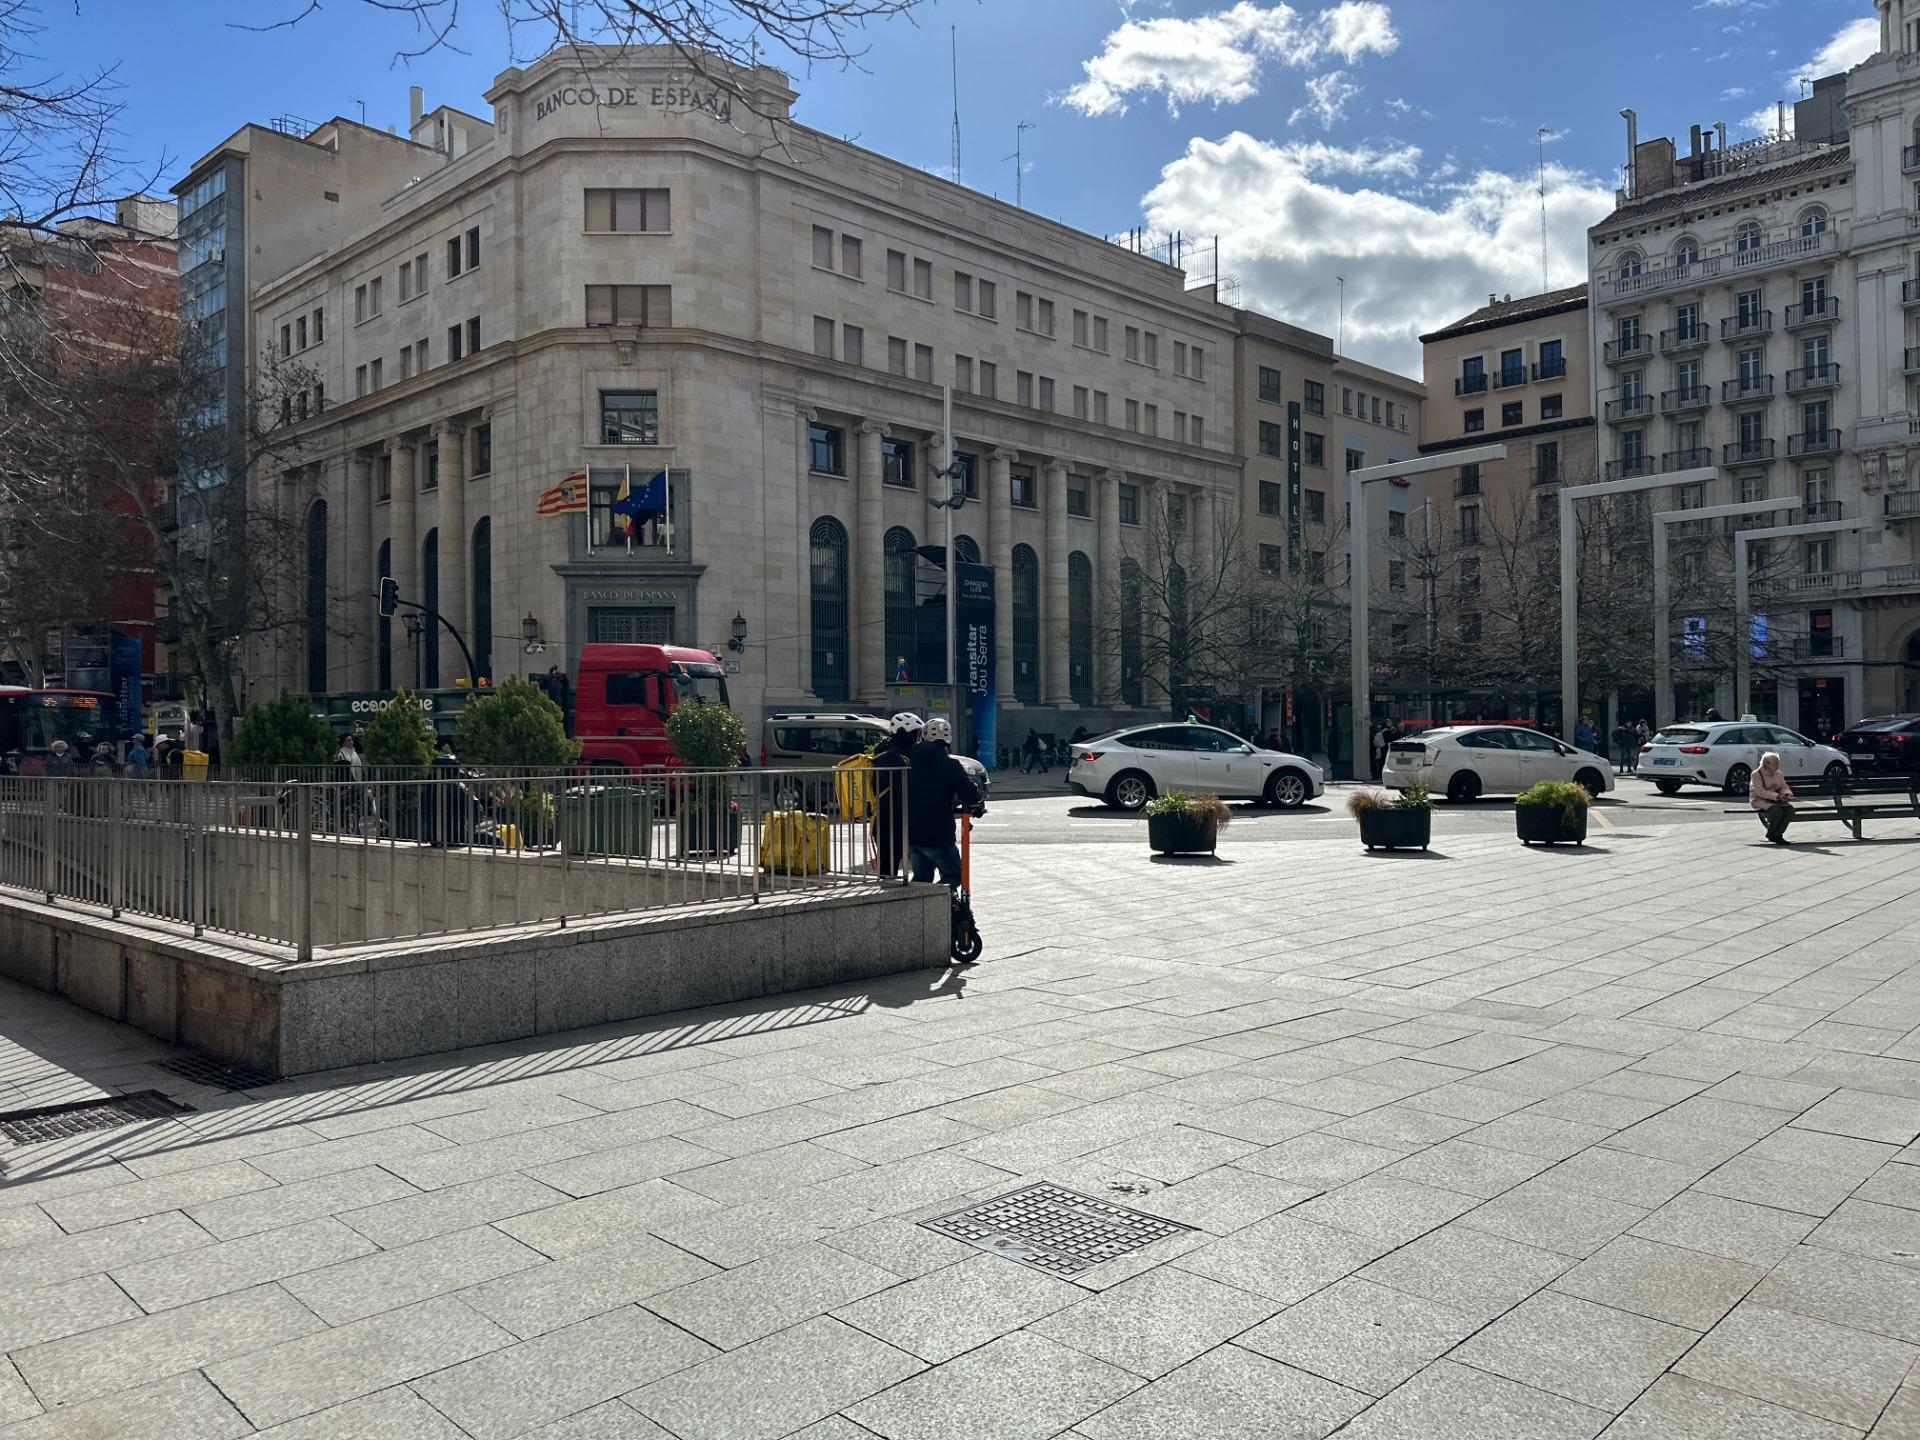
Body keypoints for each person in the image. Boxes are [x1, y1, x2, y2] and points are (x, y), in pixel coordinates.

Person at [907, 716, 980, 889]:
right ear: (948, 740)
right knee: (953, 876)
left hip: (913, 830)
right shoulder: (949, 765)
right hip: (938, 833)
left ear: (923, 736)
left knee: (921, 879)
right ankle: (937, 908)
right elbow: (969, 792)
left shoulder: (910, 761)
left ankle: (919, 911)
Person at [871, 712, 920, 877]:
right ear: (903, 733)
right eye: (915, 733)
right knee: (888, 867)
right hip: (889, 820)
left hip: (892, 818)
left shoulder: (892, 752)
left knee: (891, 863)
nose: (917, 738)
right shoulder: (891, 758)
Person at [1750, 750, 1795, 844]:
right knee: (1777, 811)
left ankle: (1777, 834)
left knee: (1790, 809)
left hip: (1776, 799)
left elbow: (1783, 786)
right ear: (1766, 764)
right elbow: (1759, 791)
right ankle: (1773, 835)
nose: (1778, 764)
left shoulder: (1779, 773)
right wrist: (1777, 796)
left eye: (1778, 762)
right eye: (1775, 763)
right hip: (1760, 800)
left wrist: (1786, 794)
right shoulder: (1756, 774)